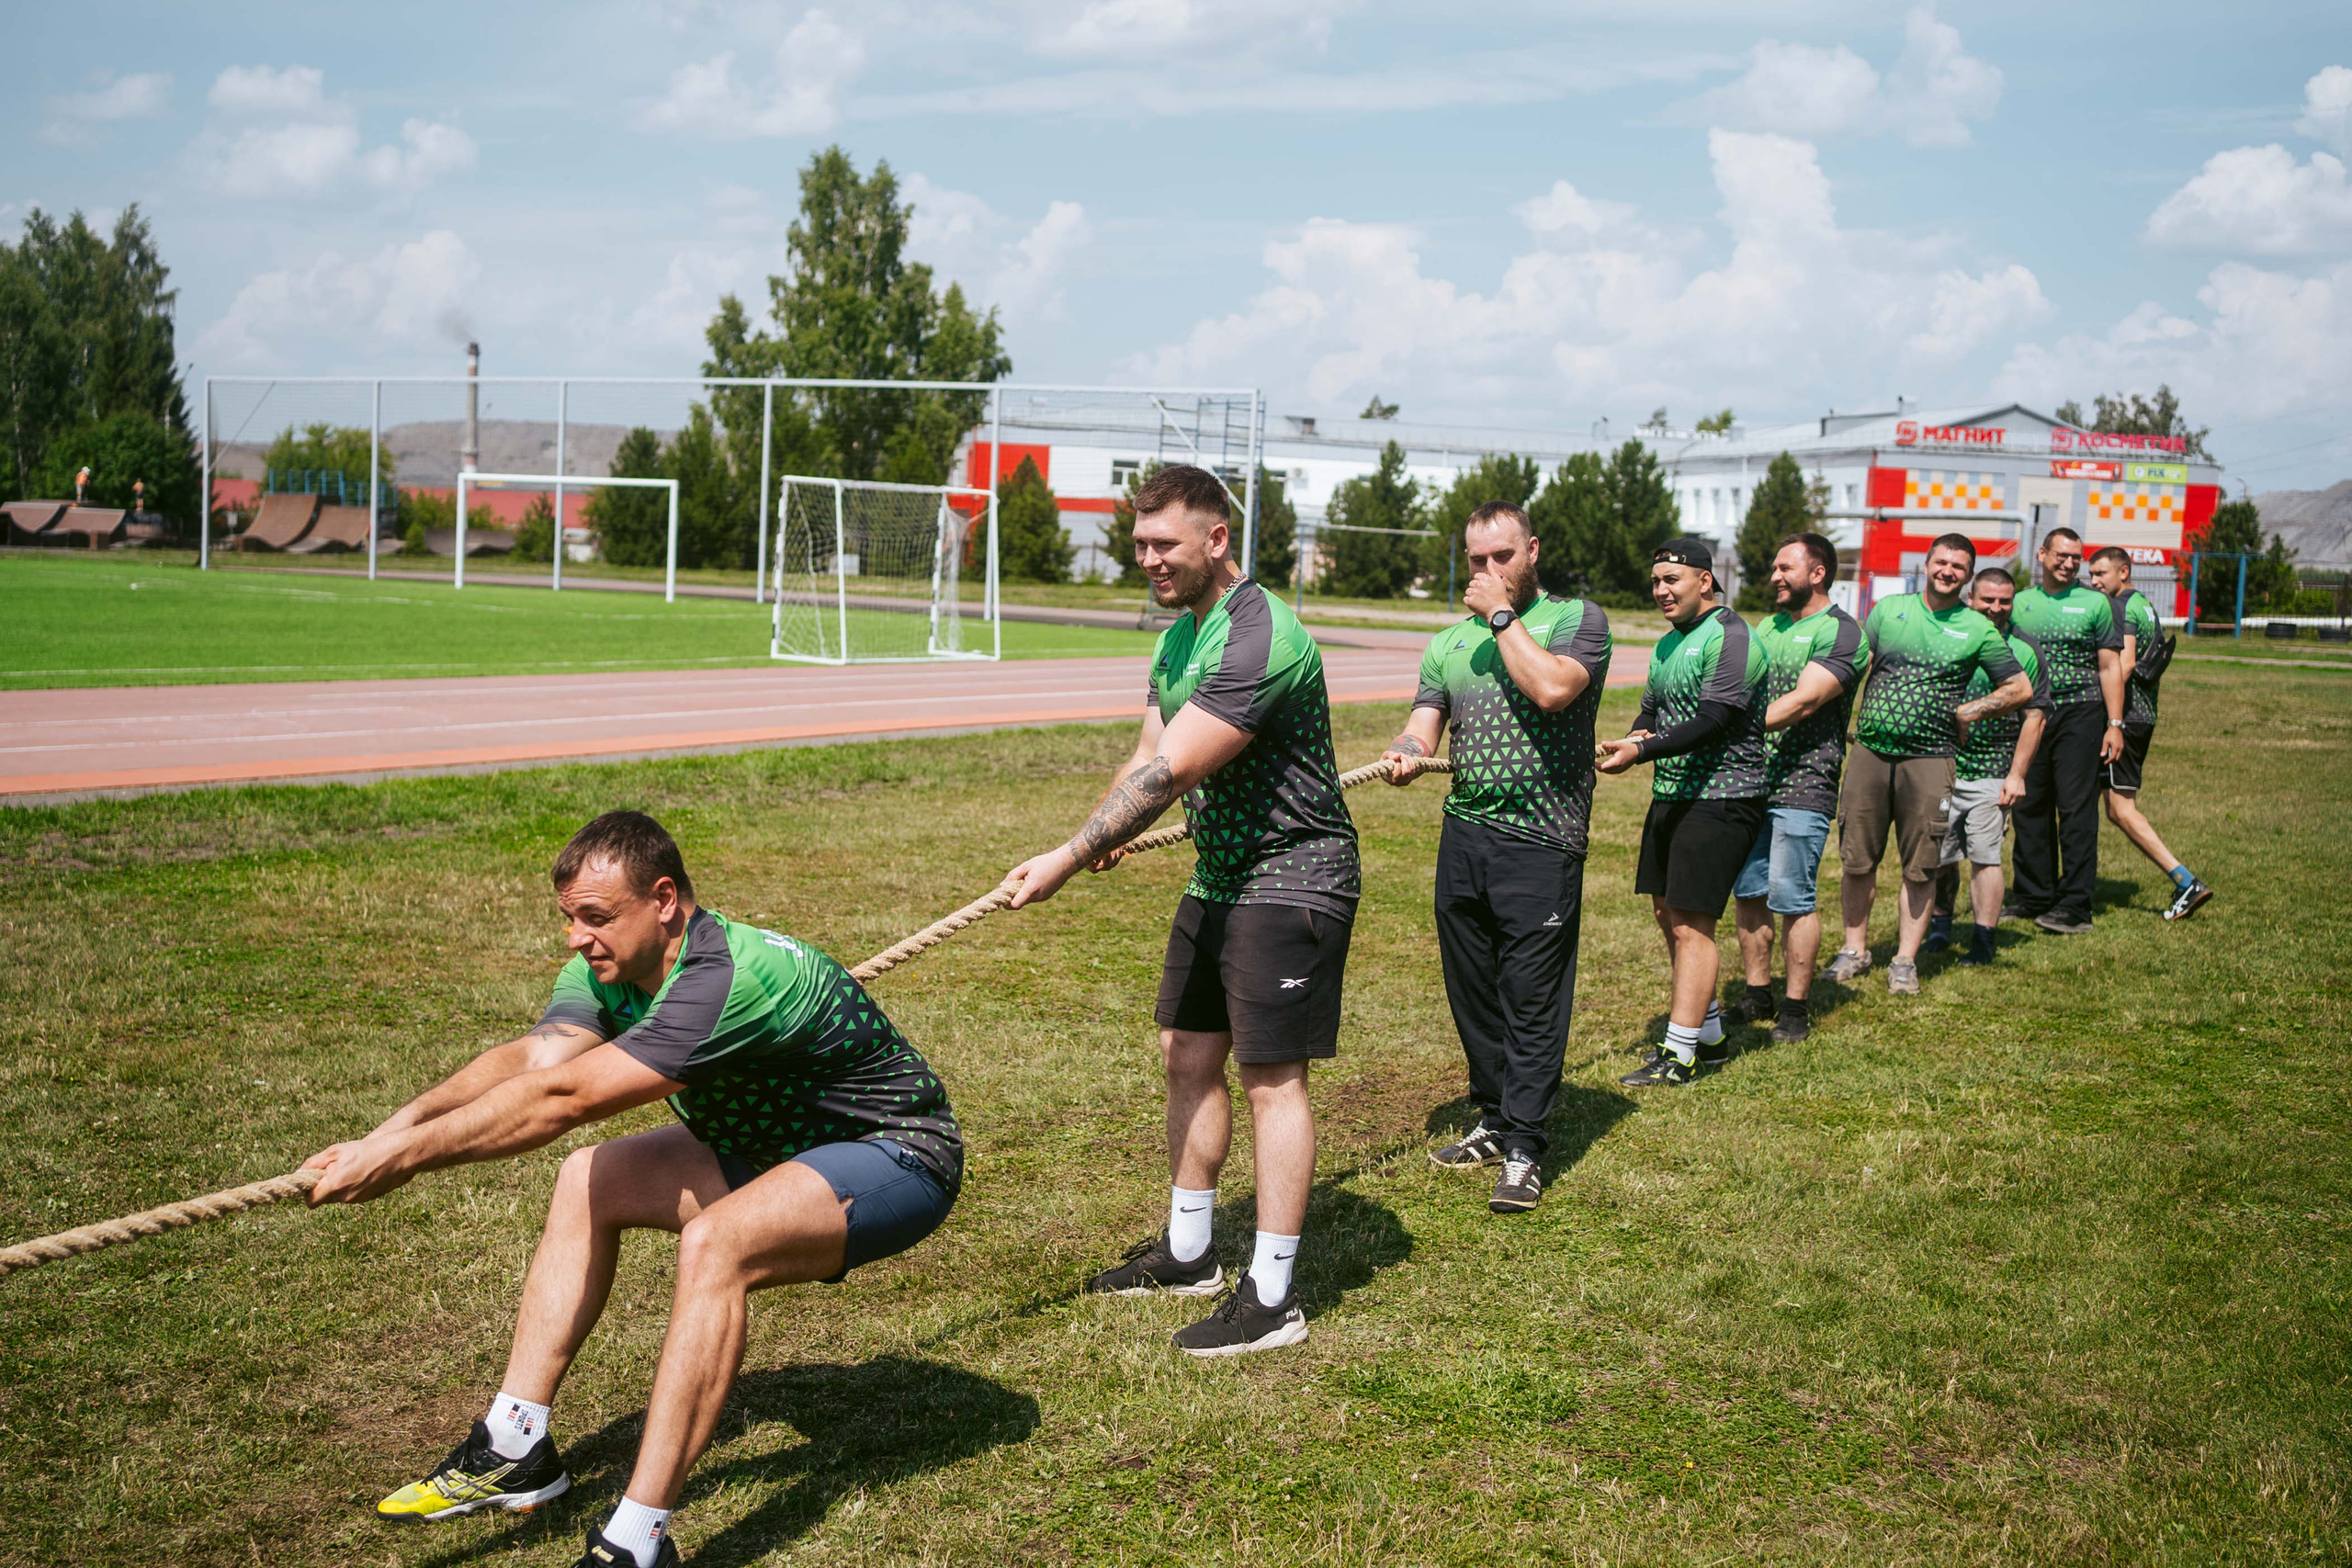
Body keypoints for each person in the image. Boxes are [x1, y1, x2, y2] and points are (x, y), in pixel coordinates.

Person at [305, 812, 960, 1568]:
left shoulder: (724, 980)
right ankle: (516, 1446)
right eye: (569, 918)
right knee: (591, 1174)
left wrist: (411, 1158)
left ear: (664, 900)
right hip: (768, 1147)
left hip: (899, 1154)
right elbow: (539, 1060)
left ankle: (637, 1540)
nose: (577, 939)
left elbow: (566, 1100)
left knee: (718, 1242)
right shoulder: (608, 968)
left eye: (596, 918)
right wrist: (397, 1128)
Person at [1002, 462, 1358, 1357]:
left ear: (1215, 538)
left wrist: (1067, 858)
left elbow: (1177, 771)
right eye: (1139, 546)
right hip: (1221, 874)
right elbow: (1144, 754)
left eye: (1165, 544)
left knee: (1272, 1078)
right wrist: (1093, 830)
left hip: (1291, 875)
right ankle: (1190, 1251)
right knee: (1185, 1051)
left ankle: (1273, 1295)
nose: (1149, 560)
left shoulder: (1259, 635)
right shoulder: (1177, 641)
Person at [1381, 502, 1611, 1213]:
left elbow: (1550, 689)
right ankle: (1492, 1116)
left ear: (1531, 551)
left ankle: (1525, 1148)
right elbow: (1426, 723)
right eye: (1477, 560)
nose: (1487, 572)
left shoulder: (1577, 621)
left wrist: (1502, 617)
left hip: (1542, 838)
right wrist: (1411, 754)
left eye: (1501, 557)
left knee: (1532, 997)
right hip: (1466, 836)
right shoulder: (1449, 643)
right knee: (1473, 990)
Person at [1825, 535, 2032, 995]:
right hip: (1870, 753)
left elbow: (2019, 689)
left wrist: (1968, 711)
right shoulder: (1888, 611)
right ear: (1927, 563)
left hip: (1931, 760)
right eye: (1942, 562)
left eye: (1959, 566)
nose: (1948, 571)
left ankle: (1904, 961)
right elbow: (1857, 667)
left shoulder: (1976, 628)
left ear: (1968, 575)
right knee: (1858, 858)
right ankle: (1855, 950)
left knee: (1921, 867)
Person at [1597, 536, 1766, 1088]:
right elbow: (1652, 713)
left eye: (1672, 580)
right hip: (1673, 796)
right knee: (1668, 914)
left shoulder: (1733, 637)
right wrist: (1630, 740)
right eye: (1656, 582)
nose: (1661, 591)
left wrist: (1641, 750)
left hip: (1723, 798)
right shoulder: (1669, 644)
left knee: (1693, 925)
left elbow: (1714, 718)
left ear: (1705, 581)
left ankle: (1680, 1054)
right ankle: (1710, 1036)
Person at [1727, 533, 1867, 1046]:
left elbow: (1803, 702)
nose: (1774, 576)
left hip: (1804, 781)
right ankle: (1757, 992)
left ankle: (1795, 1007)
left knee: (1792, 895)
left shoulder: (1842, 633)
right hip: (1749, 778)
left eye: (1786, 567)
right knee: (1749, 891)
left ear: (1818, 573)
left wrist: (1725, 729)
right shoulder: (1769, 626)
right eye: (1773, 567)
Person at [1927, 569, 2051, 964]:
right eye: (1988, 600)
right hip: (1942, 765)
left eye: (2004, 601)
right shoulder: (1949, 636)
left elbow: (2035, 717)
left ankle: (1983, 939)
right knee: (1939, 856)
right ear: (1970, 599)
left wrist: (2016, 776)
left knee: (1985, 855)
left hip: (1992, 770)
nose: (1996, 608)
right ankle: (1940, 928)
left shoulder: (2025, 650)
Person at [2007, 527, 2126, 934]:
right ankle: (2032, 895)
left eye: (2076, 557)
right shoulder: (2019, 602)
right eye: (2061, 555)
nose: (2069, 564)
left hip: (2082, 713)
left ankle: (2075, 905)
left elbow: (2110, 667)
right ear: (2042, 554)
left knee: (2076, 809)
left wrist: (2114, 724)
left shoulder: (2097, 603)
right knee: (2029, 804)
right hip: (2030, 715)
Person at [2087, 546, 2212, 920]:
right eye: (2090, 575)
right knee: (2113, 809)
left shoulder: (2122, 605)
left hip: (2125, 718)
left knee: (2121, 810)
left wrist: (2095, 702)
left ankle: (2185, 881)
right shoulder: (2140, 602)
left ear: (2123, 571)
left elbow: (2123, 664)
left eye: (2100, 574)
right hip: (2140, 716)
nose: (2093, 582)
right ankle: (2078, 882)